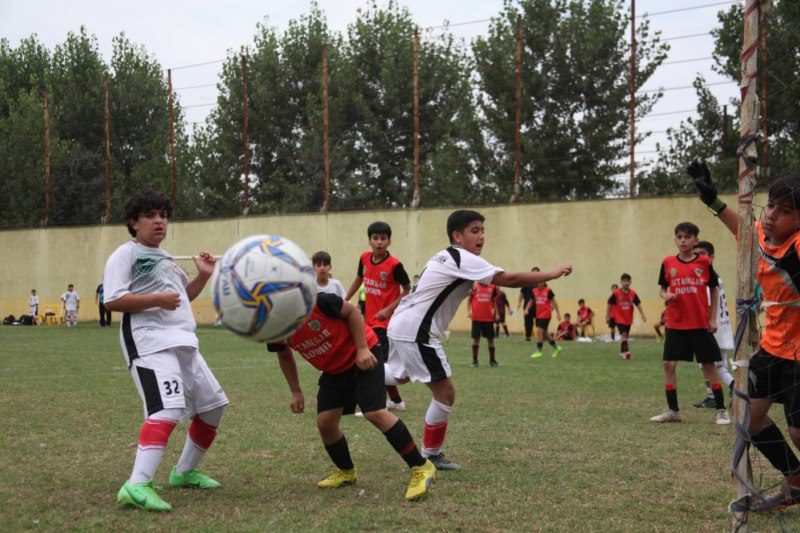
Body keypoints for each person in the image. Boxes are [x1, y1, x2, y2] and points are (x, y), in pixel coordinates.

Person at [386, 209, 572, 470]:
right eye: (475, 231)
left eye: (483, 231)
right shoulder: (462, 258)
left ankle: (353, 373)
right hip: (417, 331)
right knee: (446, 393)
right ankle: (431, 455)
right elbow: (509, 279)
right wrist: (551, 274)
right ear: (457, 236)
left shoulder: (444, 255)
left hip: (402, 324)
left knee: (400, 376)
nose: (482, 236)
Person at [103, 188, 228, 512]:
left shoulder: (168, 259)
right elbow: (112, 299)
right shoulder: (125, 254)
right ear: (134, 222)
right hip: (150, 341)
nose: (159, 221)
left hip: (184, 342)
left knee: (213, 407)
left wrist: (203, 276)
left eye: (163, 215)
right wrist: (157, 299)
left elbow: (181, 298)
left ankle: (183, 473)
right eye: (150, 216)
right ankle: (136, 485)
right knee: (166, 410)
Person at [690, 160, 800, 511]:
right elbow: (739, 224)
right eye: (771, 206)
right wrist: (711, 200)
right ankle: (796, 478)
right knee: (747, 417)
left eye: (785, 211)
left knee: (798, 432)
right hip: (773, 347)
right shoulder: (759, 237)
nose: (771, 215)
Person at [268, 292, 436, 501]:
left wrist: (362, 349)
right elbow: (284, 354)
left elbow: (352, 312)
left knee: (374, 412)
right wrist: (295, 391)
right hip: (333, 369)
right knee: (325, 422)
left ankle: (421, 466)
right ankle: (347, 472)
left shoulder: (317, 301)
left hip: (363, 353)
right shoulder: (270, 327)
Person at [650, 221, 729, 426]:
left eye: (687, 237)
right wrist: (665, 294)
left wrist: (712, 318)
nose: (683, 241)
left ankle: (721, 410)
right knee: (668, 364)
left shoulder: (704, 262)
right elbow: (662, 288)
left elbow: (714, 289)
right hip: (675, 323)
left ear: (695, 240)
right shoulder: (667, 262)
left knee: (709, 365)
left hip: (699, 323)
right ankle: (673, 411)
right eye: (679, 237)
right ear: (675, 240)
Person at [345, 222, 411, 412]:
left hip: (386, 323)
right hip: (369, 322)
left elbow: (408, 290)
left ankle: (379, 404)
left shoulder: (395, 265)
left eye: (383, 238)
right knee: (377, 363)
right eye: (375, 238)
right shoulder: (364, 258)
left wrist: (389, 309)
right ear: (369, 241)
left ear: (389, 242)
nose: (379, 242)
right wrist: (345, 300)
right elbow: (359, 279)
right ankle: (396, 401)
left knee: (376, 364)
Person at [690, 241, 735, 409]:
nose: (698, 257)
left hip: (711, 327)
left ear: (711, 257)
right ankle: (713, 397)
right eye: (696, 254)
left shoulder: (706, 278)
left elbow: (707, 305)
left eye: (702, 254)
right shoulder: (716, 276)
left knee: (710, 365)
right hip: (722, 327)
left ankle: (735, 388)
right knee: (716, 365)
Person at [606, 274, 646, 359]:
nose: (626, 283)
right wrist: (607, 316)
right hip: (619, 318)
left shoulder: (633, 293)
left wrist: (642, 314)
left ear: (630, 282)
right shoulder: (616, 293)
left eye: (627, 281)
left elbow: (637, 303)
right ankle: (627, 352)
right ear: (621, 282)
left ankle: (622, 352)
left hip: (628, 318)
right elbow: (609, 303)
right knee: (624, 334)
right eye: (624, 281)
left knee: (625, 336)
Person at [524, 273, 563, 358]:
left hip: (546, 314)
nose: (540, 283)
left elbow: (553, 302)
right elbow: (531, 300)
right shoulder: (534, 291)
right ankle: (556, 348)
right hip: (538, 314)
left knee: (539, 331)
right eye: (538, 281)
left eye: (541, 281)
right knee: (545, 333)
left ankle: (539, 351)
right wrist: (526, 309)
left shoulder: (548, 290)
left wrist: (558, 313)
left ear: (544, 282)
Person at [468, 281, 498, 367]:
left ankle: (492, 361)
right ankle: (475, 361)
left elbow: (494, 301)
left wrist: (497, 313)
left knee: (491, 340)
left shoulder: (493, 287)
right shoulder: (475, 286)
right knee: (476, 340)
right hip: (476, 318)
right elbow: (469, 299)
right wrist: (469, 311)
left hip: (488, 318)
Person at [516, 270, 537, 342]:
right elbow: (521, 294)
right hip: (527, 307)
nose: (535, 274)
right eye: (534, 272)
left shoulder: (541, 283)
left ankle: (540, 336)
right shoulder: (526, 283)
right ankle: (528, 336)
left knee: (540, 322)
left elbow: (547, 294)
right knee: (528, 323)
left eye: (537, 272)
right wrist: (519, 302)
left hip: (539, 306)